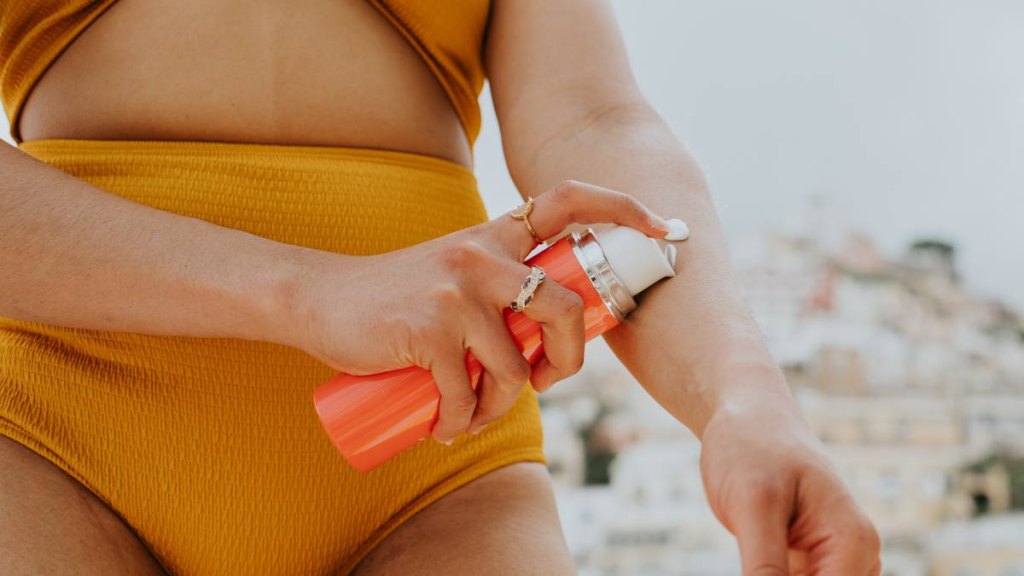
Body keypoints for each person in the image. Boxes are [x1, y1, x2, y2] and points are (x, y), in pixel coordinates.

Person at [0, 1, 880, 574]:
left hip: (439, 459)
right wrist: (310, 292)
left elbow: (597, 122)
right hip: (52, 441)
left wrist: (744, 402)